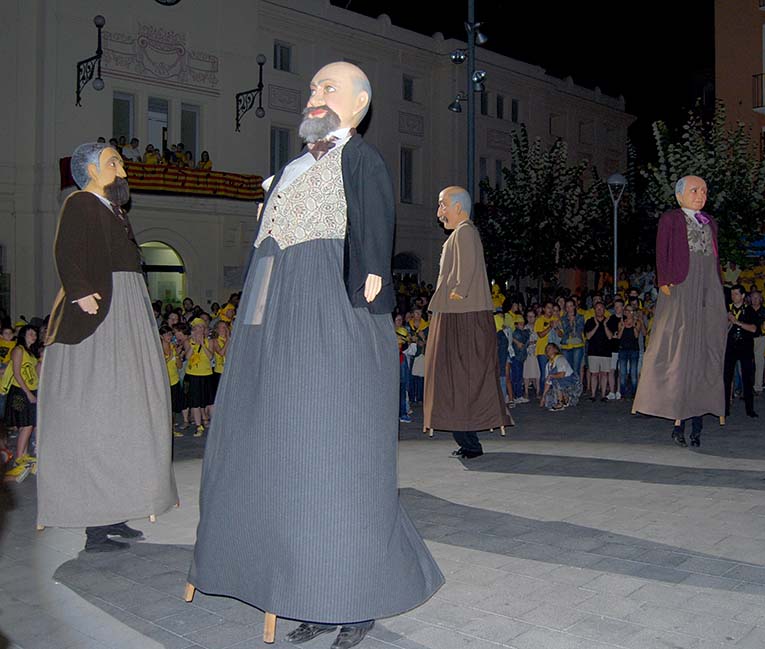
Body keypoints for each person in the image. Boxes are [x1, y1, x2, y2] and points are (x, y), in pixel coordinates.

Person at [189, 62, 443, 648]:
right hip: (273, 317)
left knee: (338, 455)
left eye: (329, 88)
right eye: (312, 88)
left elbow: (375, 222)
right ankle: (307, 587)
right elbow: (265, 246)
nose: (315, 95)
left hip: (334, 310)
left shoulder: (362, 159)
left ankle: (351, 598)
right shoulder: (292, 168)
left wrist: (375, 274)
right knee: (285, 456)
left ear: (359, 102)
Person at [37, 142, 177, 551]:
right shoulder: (81, 202)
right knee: (97, 415)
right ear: (90, 171)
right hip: (101, 311)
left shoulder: (115, 211)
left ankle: (116, 511)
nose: (122, 168)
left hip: (126, 308)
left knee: (124, 417)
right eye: (112, 162)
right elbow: (65, 250)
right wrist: (80, 291)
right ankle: (94, 524)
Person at [633, 175, 727, 447]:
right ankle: (679, 420)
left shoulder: (710, 222)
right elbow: (661, 250)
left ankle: (697, 419)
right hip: (681, 284)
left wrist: (718, 287)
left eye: (705, 190)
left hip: (707, 285)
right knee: (678, 347)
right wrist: (663, 280)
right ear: (680, 195)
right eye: (695, 190)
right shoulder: (671, 219)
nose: (701, 195)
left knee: (705, 349)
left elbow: (716, 256)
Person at [423, 186, 512, 458]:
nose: (439, 212)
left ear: (458, 207)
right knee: (455, 379)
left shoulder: (465, 233)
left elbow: (467, 268)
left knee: (461, 378)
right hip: (455, 314)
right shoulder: (459, 235)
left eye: (443, 205)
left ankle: (469, 441)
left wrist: (458, 292)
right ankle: (465, 439)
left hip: (462, 315)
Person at [2, 325, 41, 479]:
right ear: (24, 335)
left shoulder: (30, 353)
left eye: (35, 333)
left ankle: (23, 454)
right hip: (19, 391)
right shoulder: (19, 350)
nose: (34, 336)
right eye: (31, 333)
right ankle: (19, 456)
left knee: (28, 423)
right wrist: (28, 393)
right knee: (26, 424)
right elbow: (17, 373)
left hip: (29, 390)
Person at [724, 284, 759, 418]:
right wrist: (728, 321)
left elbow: (754, 329)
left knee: (747, 378)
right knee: (727, 378)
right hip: (730, 347)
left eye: (736, 294)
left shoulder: (749, 310)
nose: (734, 297)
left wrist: (737, 322)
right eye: (732, 294)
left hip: (745, 347)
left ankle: (750, 409)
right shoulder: (727, 309)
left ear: (743, 296)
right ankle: (725, 408)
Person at [583, 302, 616, 402]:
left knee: (604, 374)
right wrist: (597, 326)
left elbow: (610, 337)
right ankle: (593, 394)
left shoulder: (609, 321)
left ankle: (603, 395)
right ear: (594, 310)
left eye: (601, 308)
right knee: (594, 374)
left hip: (606, 352)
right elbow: (588, 336)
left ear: (604, 310)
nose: (599, 310)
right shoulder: (589, 321)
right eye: (597, 308)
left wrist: (605, 325)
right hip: (593, 352)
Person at [541, 343, 582, 411]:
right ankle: (565, 399)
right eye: (546, 348)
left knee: (554, 379)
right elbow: (548, 382)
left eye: (550, 348)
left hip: (572, 384)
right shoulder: (548, 364)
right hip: (562, 383)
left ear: (555, 349)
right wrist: (543, 397)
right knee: (548, 400)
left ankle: (561, 402)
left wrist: (551, 376)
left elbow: (562, 374)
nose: (547, 349)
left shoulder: (560, 359)